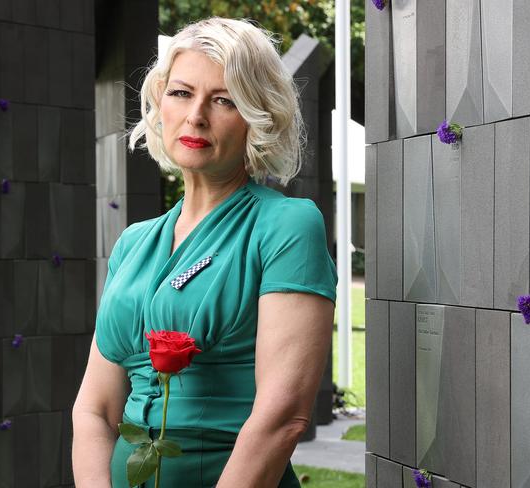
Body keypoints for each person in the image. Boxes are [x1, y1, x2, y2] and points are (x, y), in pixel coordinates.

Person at [72, 17, 338, 488]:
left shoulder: (287, 225)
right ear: (160, 102)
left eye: (223, 100)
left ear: (257, 116)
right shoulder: (133, 242)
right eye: (181, 93)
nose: (196, 115)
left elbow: (282, 418)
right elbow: (95, 409)